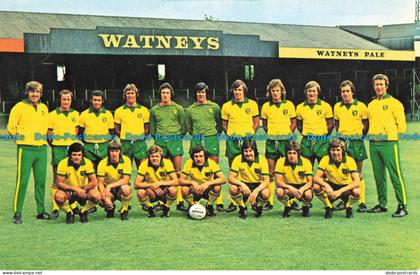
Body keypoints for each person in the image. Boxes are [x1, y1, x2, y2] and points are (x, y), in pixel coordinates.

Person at [7, 81, 50, 224]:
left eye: (37, 92)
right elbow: (11, 128)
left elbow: (46, 126)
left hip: (42, 150)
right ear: (27, 92)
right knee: (22, 182)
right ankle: (17, 213)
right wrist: (21, 141)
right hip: (25, 149)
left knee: (40, 182)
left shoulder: (44, 107)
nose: (35, 94)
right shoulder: (19, 107)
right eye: (32, 91)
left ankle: (41, 211)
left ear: (41, 94)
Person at [367, 74, 408, 217]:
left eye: (381, 84)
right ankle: (382, 204)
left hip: (389, 144)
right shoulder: (371, 105)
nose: (378, 87)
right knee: (379, 177)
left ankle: (402, 205)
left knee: (395, 175)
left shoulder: (395, 103)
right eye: (376, 84)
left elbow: (401, 125)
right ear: (373, 86)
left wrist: (395, 140)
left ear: (386, 86)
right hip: (373, 144)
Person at [185, 82, 225, 212]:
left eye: (202, 92)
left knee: (214, 170)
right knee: (193, 167)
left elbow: (219, 126)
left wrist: (212, 134)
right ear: (195, 94)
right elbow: (189, 128)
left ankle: (217, 202)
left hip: (211, 139)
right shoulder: (190, 109)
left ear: (206, 93)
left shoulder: (214, 107)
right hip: (196, 138)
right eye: (198, 92)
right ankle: (192, 199)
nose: (200, 94)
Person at [221, 79, 259, 212]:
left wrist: (250, 134)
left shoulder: (252, 104)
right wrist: (231, 135)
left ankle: (255, 200)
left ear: (244, 91)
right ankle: (234, 201)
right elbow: (224, 125)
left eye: (239, 90)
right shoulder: (226, 106)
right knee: (234, 170)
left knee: (251, 168)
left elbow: (256, 122)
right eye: (235, 90)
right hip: (233, 141)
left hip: (247, 141)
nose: (237, 92)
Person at [149, 83, 186, 211]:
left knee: (177, 171)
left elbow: (184, 127)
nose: (165, 95)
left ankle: (180, 200)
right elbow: (152, 129)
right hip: (160, 142)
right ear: (160, 94)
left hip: (175, 141)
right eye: (163, 93)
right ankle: (162, 200)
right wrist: (159, 138)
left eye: (167, 93)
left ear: (171, 94)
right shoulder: (154, 110)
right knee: (162, 172)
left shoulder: (179, 108)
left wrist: (175, 137)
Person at [261, 79, 297, 211]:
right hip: (271, 142)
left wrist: (287, 134)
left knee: (287, 172)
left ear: (282, 91)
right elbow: (264, 125)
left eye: (277, 90)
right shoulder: (266, 106)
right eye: (273, 91)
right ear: (269, 92)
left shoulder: (289, 105)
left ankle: (291, 201)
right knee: (271, 172)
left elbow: (293, 123)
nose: (275, 93)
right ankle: (269, 202)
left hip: (286, 141)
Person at [333, 80, 369, 213]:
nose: (345, 94)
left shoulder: (361, 106)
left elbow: (366, 125)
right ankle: (345, 201)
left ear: (352, 92)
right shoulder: (337, 107)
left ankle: (362, 202)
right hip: (342, 142)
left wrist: (358, 137)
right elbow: (337, 124)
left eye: (347, 91)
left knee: (358, 173)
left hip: (356, 142)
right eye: (343, 91)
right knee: (345, 173)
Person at [47, 89, 80, 219]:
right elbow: (48, 135)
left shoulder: (76, 114)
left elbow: (76, 132)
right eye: (64, 99)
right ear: (60, 100)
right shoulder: (52, 114)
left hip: (70, 150)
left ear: (71, 100)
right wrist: (56, 145)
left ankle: (72, 205)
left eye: (68, 99)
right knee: (57, 179)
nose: (66, 101)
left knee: (71, 178)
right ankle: (55, 207)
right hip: (58, 149)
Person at [54, 142, 100, 224]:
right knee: (58, 197)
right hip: (69, 190)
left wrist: (83, 190)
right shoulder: (62, 163)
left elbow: (94, 181)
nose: (77, 157)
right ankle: (69, 213)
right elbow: (59, 183)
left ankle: (83, 211)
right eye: (74, 155)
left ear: (82, 155)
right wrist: (75, 189)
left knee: (96, 196)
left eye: (79, 155)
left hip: (84, 190)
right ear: (70, 155)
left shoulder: (87, 162)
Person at [313, 139, 360, 219]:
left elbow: (357, 182)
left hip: (345, 187)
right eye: (333, 150)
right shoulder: (325, 159)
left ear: (342, 151)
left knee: (357, 191)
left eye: (338, 150)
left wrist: (340, 191)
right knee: (316, 187)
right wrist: (326, 185)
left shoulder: (350, 160)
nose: (335, 153)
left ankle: (349, 207)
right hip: (331, 186)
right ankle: (329, 206)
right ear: (329, 151)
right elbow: (316, 178)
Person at [179, 146, 226, 217]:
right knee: (184, 189)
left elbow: (223, 179)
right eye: (196, 156)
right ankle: (192, 205)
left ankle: (209, 206)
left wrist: (208, 183)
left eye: (201, 156)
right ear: (192, 157)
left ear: (205, 156)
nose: (198, 159)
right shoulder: (189, 163)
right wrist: (192, 182)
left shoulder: (211, 163)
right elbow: (180, 181)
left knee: (217, 187)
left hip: (207, 191)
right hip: (195, 191)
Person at [228, 140, 270, 219]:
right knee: (233, 189)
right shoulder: (238, 159)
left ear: (255, 151)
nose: (248, 153)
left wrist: (256, 191)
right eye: (246, 151)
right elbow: (230, 178)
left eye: (250, 151)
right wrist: (242, 185)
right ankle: (242, 208)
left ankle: (259, 207)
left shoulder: (262, 159)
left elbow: (266, 180)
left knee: (266, 193)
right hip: (244, 184)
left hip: (257, 185)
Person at [296, 81, 334, 164]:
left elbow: (330, 124)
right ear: (306, 92)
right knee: (307, 169)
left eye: (314, 91)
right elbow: (299, 125)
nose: (311, 93)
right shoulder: (300, 107)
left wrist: (323, 135)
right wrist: (306, 134)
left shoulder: (326, 106)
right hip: (307, 141)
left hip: (322, 140)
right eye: (309, 91)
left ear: (318, 92)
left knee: (324, 169)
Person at [135, 145, 178, 218]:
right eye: (152, 156)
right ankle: (150, 208)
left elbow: (176, 181)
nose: (154, 158)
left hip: (164, 191)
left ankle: (166, 208)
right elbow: (136, 184)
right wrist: (153, 186)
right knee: (140, 192)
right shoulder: (144, 164)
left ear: (161, 156)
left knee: (173, 189)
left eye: (157, 156)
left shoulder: (167, 163)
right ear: (149, 156)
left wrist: (160, 183)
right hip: (151, 191)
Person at [114, 83, 150, 168]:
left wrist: (139, 137)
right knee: (125, 170)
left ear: (136, 94)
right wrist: (126, 137)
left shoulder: (144, 110)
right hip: (125, 143)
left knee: (143, 169)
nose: (130, 95)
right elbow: (117, 130)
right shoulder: (119, 111)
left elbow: (147, 129)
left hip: (140, 143)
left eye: (132, 93)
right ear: (125, 95)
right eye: (128, 93)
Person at [275, 141, 313, 218]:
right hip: (288, 186)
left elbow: (310, 182)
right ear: (286, 153)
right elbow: (278, 182)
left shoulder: (306, 162)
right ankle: (287, 206)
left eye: (294, 153)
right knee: (279, 192)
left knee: (308, 194)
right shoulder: (280, 161)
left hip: (302, 186)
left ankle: (305, 206)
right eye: (289, 153)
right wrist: (290, 188)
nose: (292, 156)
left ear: (298, 153)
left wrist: (302, 190)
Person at [78, 90, 115, 169]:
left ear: (102, 101)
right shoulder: (84, 114)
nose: (97, 102)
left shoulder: (108, 114)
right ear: (91, 100)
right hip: (89, 147)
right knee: (90, 171)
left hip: (104, 146)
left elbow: (112, 133)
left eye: (99, 100)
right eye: (95, 100)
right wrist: (87, 142)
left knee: (104, 170)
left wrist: (106, 143)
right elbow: (79, 133)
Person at [97, 141, 132, 221]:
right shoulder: (102, 163)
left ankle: (124, 210)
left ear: (120, 151)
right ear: (108, 152)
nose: (114, 153)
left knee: (126, 188)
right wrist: (104, 197)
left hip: (120, 188)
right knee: (100, 199)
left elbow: (126, 180)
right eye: (112, 151)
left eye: (117, 151)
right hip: (109, 190)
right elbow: (100, 183)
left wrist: (110, 186)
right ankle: (110, 209)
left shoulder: (126, 160)